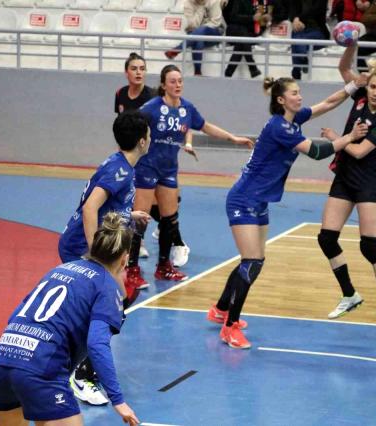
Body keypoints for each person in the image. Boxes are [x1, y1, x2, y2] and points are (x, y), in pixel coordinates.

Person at [208, 73, 368, 349]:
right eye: (294, 93)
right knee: (251, 262)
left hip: (259, 200)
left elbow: (328, 103)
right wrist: (349, 137)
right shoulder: (279, 127)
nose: (300, 96)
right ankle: (230, 327)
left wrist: (354, 85)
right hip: (244, 199)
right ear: (281, 100)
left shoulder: (293, 120)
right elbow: (317, 151)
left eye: (299, 92)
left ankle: (221, 309)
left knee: (254, 261)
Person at [0, 213, 140, 426]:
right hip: (41, 369)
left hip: (2, 360)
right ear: (124, 259)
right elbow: (97, 344)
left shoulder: (59, 269)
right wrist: (118, 399)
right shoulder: (106, 286)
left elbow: (15, 316)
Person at [125, 64, 253, 289]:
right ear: (163, 85)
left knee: (169, 219)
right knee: (141, 218)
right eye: (172, 81)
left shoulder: (187, 108)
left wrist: (233, 138)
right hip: (147, 168)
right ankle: (132, 269)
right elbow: (129, 125)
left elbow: (205, 126)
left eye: (180, 81)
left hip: (168, 169)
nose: (177, 85)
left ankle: (163, 266)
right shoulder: (152, 108)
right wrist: (127, 155)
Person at [58, 111, 151, 406]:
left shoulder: (121, 164)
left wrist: (129, 215)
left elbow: (107, 206)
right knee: (108, 305)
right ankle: (81, 375)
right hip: (81, 248)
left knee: (120, 300)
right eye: (148, 134)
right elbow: (90, 208)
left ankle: (76, 367)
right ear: (142, 141)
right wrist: (95, 254)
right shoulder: (119, 170)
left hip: (90, 247)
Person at [318, 44, 376, 331]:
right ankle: (349, 294)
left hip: (367, 178)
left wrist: (335, 138)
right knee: (327, 239)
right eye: (373, 87)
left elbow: (359, 151)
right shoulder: (361, 96)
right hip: (344, 176)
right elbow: (343, 69)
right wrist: (351, 46)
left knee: (369, 244)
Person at [114, 52, 192, 265]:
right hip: (135, 158)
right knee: (137, 203)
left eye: (142, 68)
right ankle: (135, 248)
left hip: (155, 162)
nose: (138, 72)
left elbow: (184, 121)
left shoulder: (152, 99)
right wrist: (122, 156)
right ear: (126, 72)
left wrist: (187, 142)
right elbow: (123, 128)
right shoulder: (120, 94)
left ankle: (174, 241)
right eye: (134, 68)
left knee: (163, 206)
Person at [164, 0, 226, 77]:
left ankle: (178, 49)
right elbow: (192, 25)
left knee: (201, 31)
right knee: (199, 39)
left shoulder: (214, 1)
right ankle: (197, 72)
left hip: (214, 32)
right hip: (195, 34)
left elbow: (215, 22)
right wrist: (201, 7)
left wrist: (201, 29)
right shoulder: (188, 4)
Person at [223, 0, 270, 78]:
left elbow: (262, 24)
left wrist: (265, 20)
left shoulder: (262, 2)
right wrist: (251, 18)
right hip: (234, 29)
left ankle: (228, 73)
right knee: (243, 35)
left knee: (241, 43)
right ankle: (252, 67)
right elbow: (233, 17)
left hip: (249, 34)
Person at [288, 0, 329, 80]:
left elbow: (316, 10)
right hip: (301, 30)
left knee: (298, 40)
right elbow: (292, 12)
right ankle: (302, 60)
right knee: (296, 36)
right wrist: (295, 20)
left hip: (318, 31)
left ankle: (297, 71)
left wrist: (298, 18)